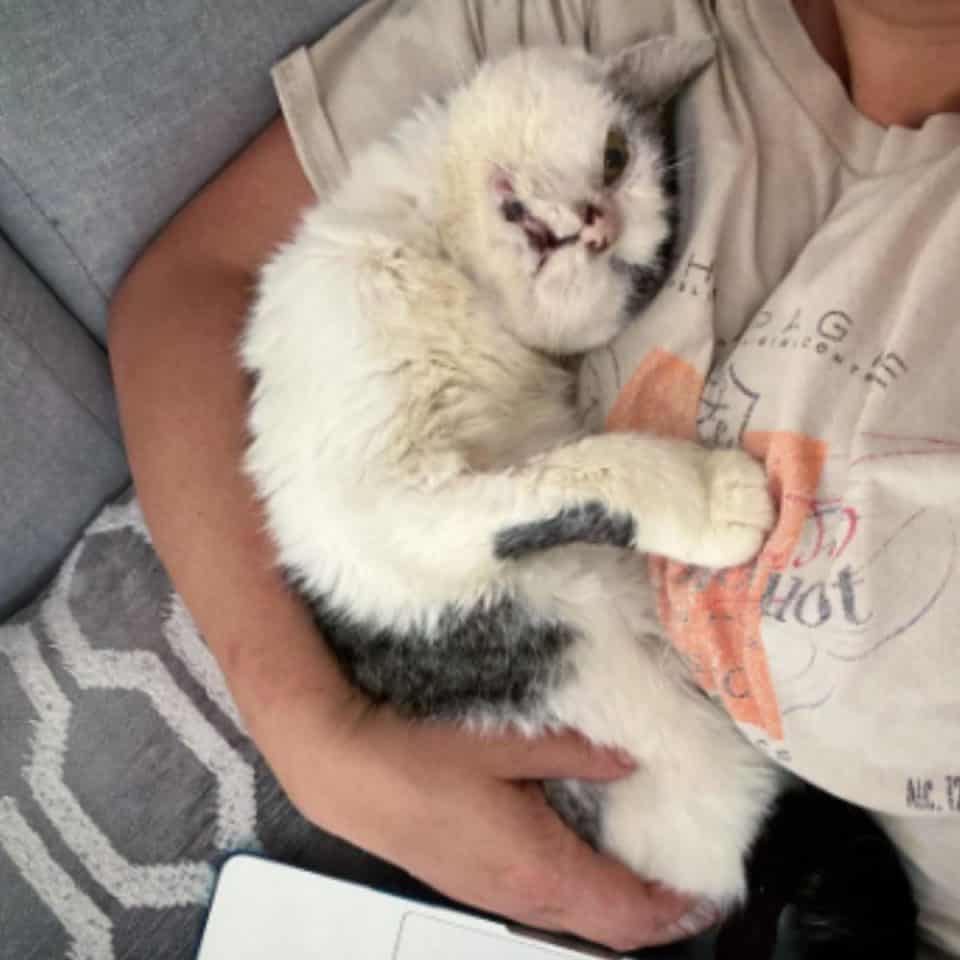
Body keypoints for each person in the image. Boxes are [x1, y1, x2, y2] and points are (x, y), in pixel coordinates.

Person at [108, 0, 960, 955]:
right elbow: (188, 288)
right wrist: (323, 742)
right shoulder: (556, 43)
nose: (597, 227)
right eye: (614, 164)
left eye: (622, 255)